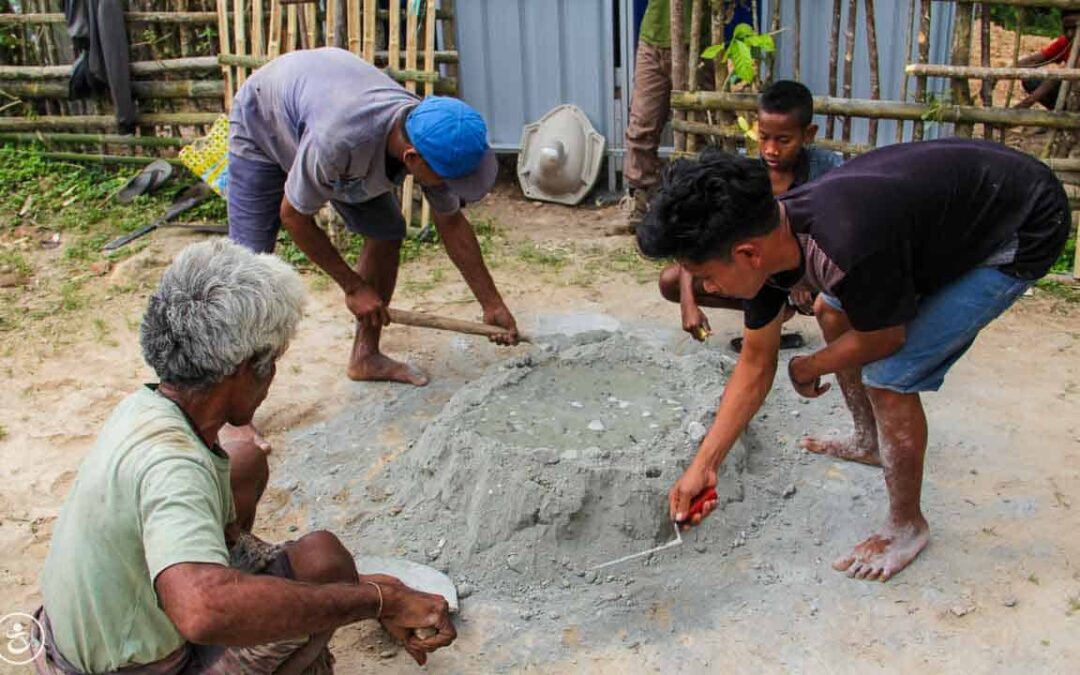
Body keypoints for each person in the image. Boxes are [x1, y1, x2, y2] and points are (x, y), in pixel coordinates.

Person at [637, 139, 1068, 582]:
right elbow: (754, 365)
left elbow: (884, 336)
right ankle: (868, 440)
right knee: (829, 310)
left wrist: (811, 365)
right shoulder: (769, 243)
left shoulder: (847, 243)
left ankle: (907, 526)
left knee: (890, 378)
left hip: (1022, 222)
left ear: (748, 254)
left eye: (707, 277)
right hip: (948, 214)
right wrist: (702, 467)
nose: (707, 289)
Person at [34, 240, 456, 674]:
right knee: (324, 563)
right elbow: (202, 609)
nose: (272, 375)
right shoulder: (173, 467)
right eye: (272, 362)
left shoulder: (146, 409)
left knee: (245, 462)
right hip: (132, 666)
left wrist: (377, 594)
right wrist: (375, 599)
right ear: (247, 367)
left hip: (78, 634)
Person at [227, 47, 519, 390]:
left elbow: (451, 222)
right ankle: (226, 410)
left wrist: (491, 303)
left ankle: (365, 356)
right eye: (448, 178)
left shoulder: (431, 130)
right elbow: (294, 216)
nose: (451, 187)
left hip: (322, 111)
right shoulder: (340, 141)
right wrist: (353, 286)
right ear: (412, 158)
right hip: (264, 117)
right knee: (247, 274)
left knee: (387, 230)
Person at [657, 81, 842, 342]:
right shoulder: (744, 177)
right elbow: (703, 239)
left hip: (817, 273)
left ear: (808, 134)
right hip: (762, 273)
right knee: (671, 280)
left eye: (783, 140)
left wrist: (808, 279)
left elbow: (843, 239)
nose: (771, 149)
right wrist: (688, 302)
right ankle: (769, 316)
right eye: (764, 137)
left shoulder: (830, 171)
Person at [623, 0, 713, 231]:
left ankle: (696, 204)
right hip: (652, 39)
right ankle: (640, 201)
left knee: (698, 128)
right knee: (641, 125)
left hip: (695, 43)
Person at [1015, 11, 1080, 110]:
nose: (1070, 33)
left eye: (1075, 28)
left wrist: (1027, 103)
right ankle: (1063, 115)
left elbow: (1060, 74)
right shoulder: (1064, 42)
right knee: (1031, 80)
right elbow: (1034, 60)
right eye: (1066, 29)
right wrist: (999, 74)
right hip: (1070, 89)